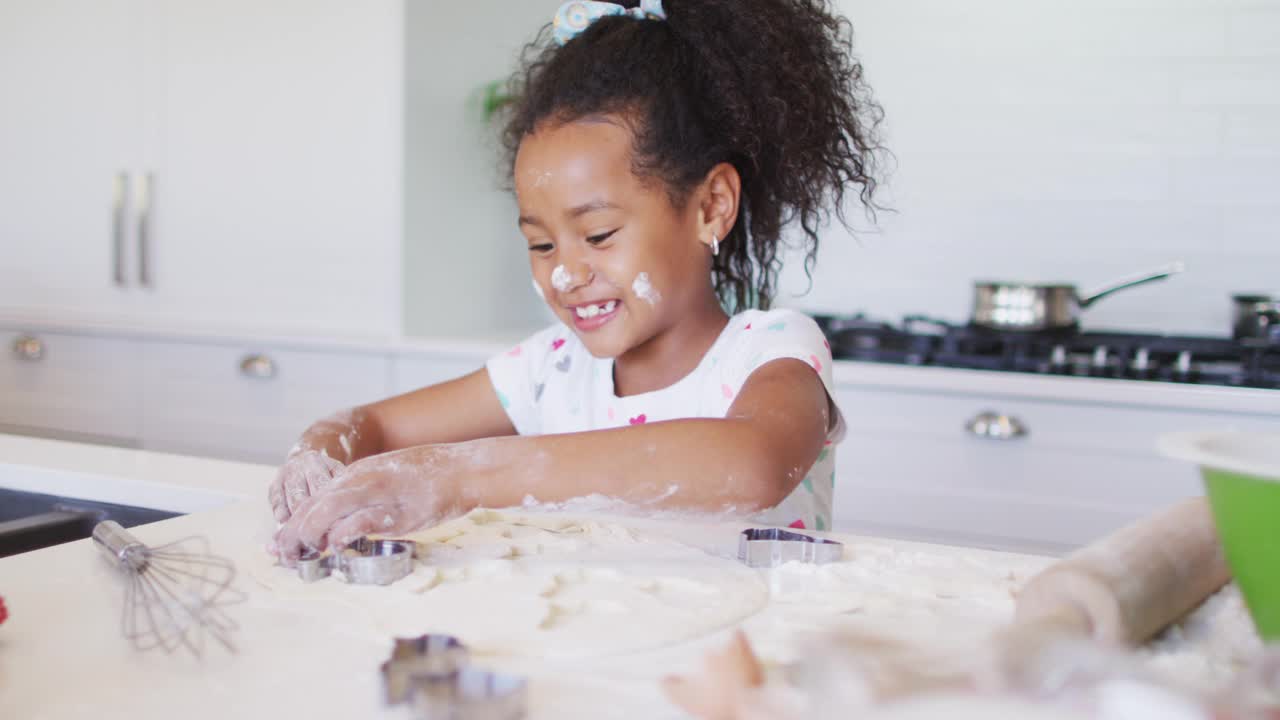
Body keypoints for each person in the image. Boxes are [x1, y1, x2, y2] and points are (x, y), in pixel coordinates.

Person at [271, 0, 884, 562]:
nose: (565, 273)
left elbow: (750, 463)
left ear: (710, 206)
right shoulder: (551, 372)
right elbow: (370, 426)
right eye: (540, 244)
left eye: (598, 236)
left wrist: (462, 476)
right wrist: (318, 456)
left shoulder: (770, 353)